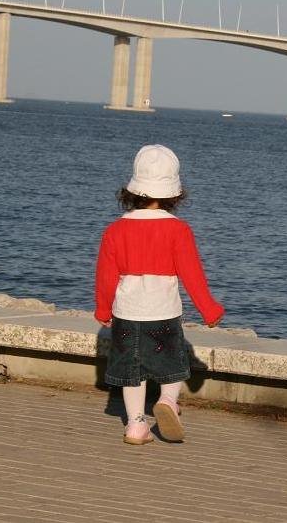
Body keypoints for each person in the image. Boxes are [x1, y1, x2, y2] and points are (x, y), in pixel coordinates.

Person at [94, 144, 224, 445]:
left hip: (127, 311)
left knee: (133, 371)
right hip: (163, 310)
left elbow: (105, 276)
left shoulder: (115, 230)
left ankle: (135, 425)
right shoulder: (178, 231)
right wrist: (209, 309)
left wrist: (103, 309)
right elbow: (193, 276)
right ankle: (167, 401)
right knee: (171, 365)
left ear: (133, 190)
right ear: (174, 193)